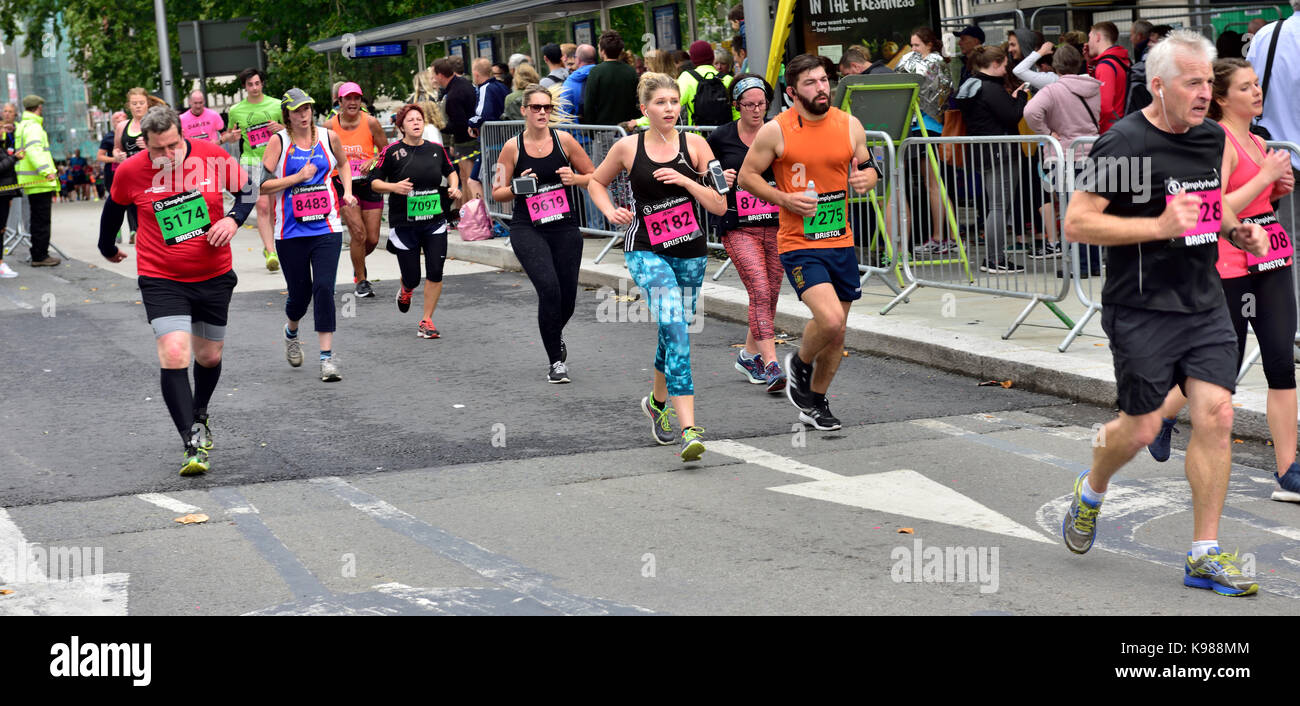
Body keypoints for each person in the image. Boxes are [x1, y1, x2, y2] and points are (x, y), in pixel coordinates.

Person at [1060, 31, 1271, 596]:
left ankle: (1203, 552)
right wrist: (1156, 227)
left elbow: (1208, 202)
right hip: (1141, 307)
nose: (1206, 93)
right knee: (1144, 426)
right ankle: (1092, 489)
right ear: (1158, 85)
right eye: (1193, 83)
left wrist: (1235, 230)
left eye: (1209, 82)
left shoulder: (1208, 139)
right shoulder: (1123, 143)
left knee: (1218, 415)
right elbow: (1077, 223)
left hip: (1202, 302)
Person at [1145, 58, 1298, 500]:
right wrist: (1265, 178)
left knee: (1280, 363)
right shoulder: (1217, 140)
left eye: (1257, 85)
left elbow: (1256, 197)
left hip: (1271, 256)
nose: (1257, 92)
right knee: (1221, 372)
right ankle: (1163, 414)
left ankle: (1288, 470)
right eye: (1246, 87)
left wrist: (1277, 186)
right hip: (1229, 265)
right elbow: (1215, 206)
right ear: (1222, 98)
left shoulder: (1257, 139)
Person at [96, 105, 258, 475]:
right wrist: (107, 246)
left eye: (174, 146)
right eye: (159, 150)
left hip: (214, 274)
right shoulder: (131, 171)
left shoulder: (211, 156)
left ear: (182, 135)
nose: (168, 155)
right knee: (173, 352)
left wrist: (233, 220)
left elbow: (248, 189)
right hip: (162, 277)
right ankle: (192, 443)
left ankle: (199, 412)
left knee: (210, 357)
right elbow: (114, 207)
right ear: (144, 145)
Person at [587, 72, 727, 460]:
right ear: (645, 109)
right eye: (661, 103)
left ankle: (656, 402)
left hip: (691, 250)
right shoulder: (628, 147)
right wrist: (608, 210)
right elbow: (596, 182)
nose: (669, 109)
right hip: (645, 247)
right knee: (677, 327)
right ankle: (689, 430)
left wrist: (688, 182)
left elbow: (719, 204)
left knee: (672, 330)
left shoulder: (696, 144)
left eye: (673, 102)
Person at [738, 54, 879, 431]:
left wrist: (870, 178)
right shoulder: (777, 130)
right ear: (792, 92)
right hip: (799, 241)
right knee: (830, 320)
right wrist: (783, 199)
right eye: (811, 83)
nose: (821, 88)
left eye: (824, 80)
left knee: (837, 334)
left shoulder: (850, 125)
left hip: (841, 239)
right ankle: (799, 363)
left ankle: (815, 403)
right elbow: (746, 177)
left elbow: (865, 165)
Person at [490, 84, 596, 382]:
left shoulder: (565, 141)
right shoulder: (512, 147)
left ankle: (553, 332)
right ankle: (555, 362)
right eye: (535, 108)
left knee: (568, 299)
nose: (541, 113)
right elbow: (496, 192)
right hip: (528, 228)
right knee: (548, 289)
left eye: (546, 108)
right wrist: (518, 186)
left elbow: (594, 177)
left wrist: (575, 178)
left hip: (563, 226)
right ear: (524, 110)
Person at [259, 88, 356, 383]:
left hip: (326, 228)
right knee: (299, 296)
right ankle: (291, 331)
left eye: (307, 109)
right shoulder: (279, 142)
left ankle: (326, 359)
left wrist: (348, 192)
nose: (303, 115)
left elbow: (343, 164)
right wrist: (297, 178)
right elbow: (261, 186)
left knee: (324, 288)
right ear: (287, 114)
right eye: (296, 110)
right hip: (290, 233)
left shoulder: (329, 136)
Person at [707, 74, 786, 393]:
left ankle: (748, 356)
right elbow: (704, 174)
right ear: (736, 105)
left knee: (771, 294)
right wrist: (718, 178)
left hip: (778, 223)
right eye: (748, 105)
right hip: (739, 224)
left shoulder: (779, 131)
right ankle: (771, 364)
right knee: (759, 289)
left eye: (761, 104)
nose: (756, 110)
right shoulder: (721, 137)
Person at [371, 104, 461, 339]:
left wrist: (453, 187)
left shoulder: (436, 149)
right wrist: (394, 187)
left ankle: (426, 320)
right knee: (412, 276)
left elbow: (451, 171)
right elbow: (375, 183)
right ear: (401, 126)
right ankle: (406, 289)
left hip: (434, 221)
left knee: (435, 271)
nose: (416, 122)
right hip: (404, 224)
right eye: (410, 120)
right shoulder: (391, 152)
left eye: (419, 119)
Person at [1022, 43, 1103, 277]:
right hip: (1092, 154)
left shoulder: (1053, 89)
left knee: (1072, 213)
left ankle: (1079, 266)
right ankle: (1094, 263)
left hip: (1066, 156)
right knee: (1090, 212)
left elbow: (1030, 112)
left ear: (1056, 65)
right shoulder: (1094, 87)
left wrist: (1047, 133)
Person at [956, 46, 1029, 273]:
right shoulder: (991, 89)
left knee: (994, 205)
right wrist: (1021, 97)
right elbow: (1012, 116)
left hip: (982, 153)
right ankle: (995, 259)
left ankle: (993, 257)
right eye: (1005, 64)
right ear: (995, 64)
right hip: (1001, 153)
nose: (1007, 68)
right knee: (998, 207)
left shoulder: (969, 86)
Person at [327, 81, 389, 298]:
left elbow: (385, 151)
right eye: (348, 98)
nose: (352, 102)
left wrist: (372, 159)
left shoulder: (371, 123)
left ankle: (358, 263)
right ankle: (361, 280)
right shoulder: (328, 126)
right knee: (358, 233)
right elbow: (320, 154)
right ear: (340, 101)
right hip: (343, 185)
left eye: (356, 98)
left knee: (372, 238)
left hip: (368, 182)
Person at [897, 27, 955, 255]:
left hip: (927, 127)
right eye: (911, 45)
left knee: (933, 185)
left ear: (929, 44)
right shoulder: (929, 60)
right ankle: (947, 235)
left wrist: (907, 61)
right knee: (935, 184)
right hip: (923, 127)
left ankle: (940, 237)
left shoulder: (933, 62)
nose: (913, 50)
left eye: (917, 46)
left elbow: (918, 85)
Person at [221, 68, 285, 272]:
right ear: (245, 87)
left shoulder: (276, 105)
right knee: (263, 207)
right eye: (250, 85)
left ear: (262, 84)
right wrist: (233, 136)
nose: (254, 87)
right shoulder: (236, 110)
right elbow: (229, 135)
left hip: (275, 160)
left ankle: (272, 247)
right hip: (251, 161)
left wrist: (281, 128)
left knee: (275, 209)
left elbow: (291, 130)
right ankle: (271, 251)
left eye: (257, 83)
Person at [1244, 2, 1298, 238]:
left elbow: (1246, 90)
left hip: (1278, 153)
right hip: (1278, 158)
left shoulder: (1266, 36)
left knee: (1289, 236)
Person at [16, 94, 59, 267]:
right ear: (38, 108)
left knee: (36, 219)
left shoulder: (23, 125)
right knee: (42, 220)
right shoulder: (33, 126)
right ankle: (40, 256)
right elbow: (34, 151)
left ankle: (38, 253)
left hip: (31, 180)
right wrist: (46, 171)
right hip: (39, 181)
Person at [432, 58, 478, 213]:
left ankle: (473, 216)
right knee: (467, 180)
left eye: (434, 75)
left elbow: (459, 124)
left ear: (439, 75)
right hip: (471, 139)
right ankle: (466, 214)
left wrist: (439, 126)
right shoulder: (464, 83)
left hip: (465, 142)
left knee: (468, 180)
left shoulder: (453, 94)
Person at [585, 31, 641, 128]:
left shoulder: (596, 71)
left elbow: (589, 105)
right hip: (628, 128)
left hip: (603, 129)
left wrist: (591, 128)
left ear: (602, 51)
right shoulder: (631, 72)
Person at [1088, 21, 1131, 133]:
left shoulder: (1105, 65)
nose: (1088, 43)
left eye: (1089, 38)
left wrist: (1094, 128)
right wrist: (1090, 63)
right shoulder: (1120, 59)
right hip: (1121, 125)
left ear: (1097, 37)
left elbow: (1105, 107)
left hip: (1109, 130)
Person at [0, 103, 20, 278]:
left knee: (1, 227)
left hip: (6, 190)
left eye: (9, 111)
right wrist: (14, 158)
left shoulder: (14, 133)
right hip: (3, 189)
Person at [559, 44, 597, 121]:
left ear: (578, 60)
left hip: (579, 130)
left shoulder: (570, 82)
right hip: (604, 128)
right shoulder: (603, 76)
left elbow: (564, 112)